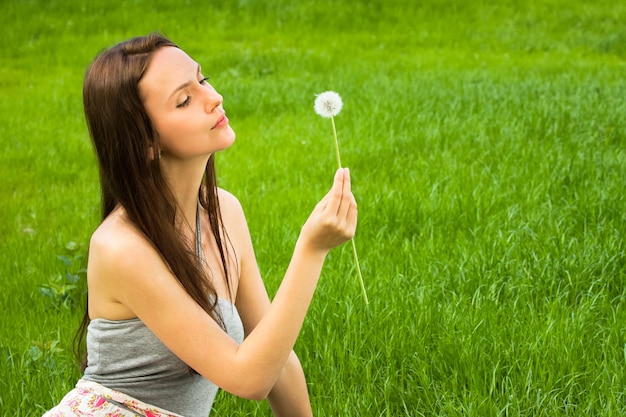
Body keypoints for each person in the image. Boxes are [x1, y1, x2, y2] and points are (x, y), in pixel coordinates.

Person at [43, 33, 357, 417]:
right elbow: (249, 378)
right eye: (185, 100)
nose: (214, 98)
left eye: (202, 79)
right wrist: (312, 249)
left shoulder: (223, 211)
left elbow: (276, 361)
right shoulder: (121, 246)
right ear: (145, 142)